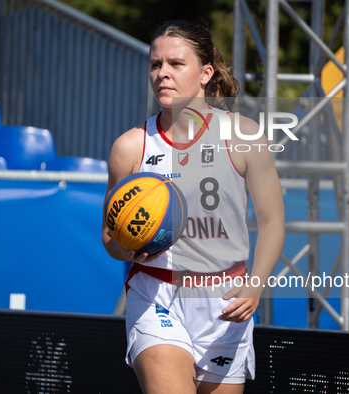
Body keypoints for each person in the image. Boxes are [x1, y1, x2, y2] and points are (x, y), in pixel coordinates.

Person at [102, 20, 285, 394]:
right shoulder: (131, 147)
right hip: (156, 295)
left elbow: (272, 221)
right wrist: (130, 243)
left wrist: (255, 285)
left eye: (175, 64)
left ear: (206, 73)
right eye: (155, 65)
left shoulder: (243, 135)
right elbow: (109, 238)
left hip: (225, 300)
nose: (162, 74)